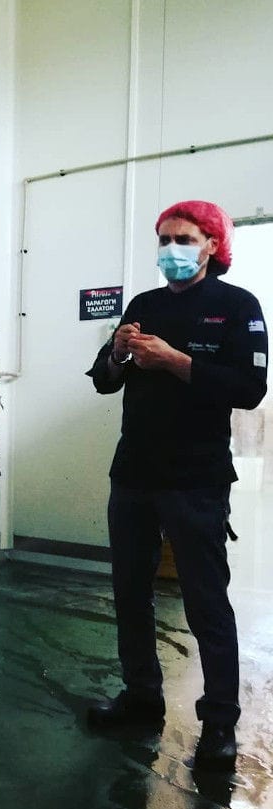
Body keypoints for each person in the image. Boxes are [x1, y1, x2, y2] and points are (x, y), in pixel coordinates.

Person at [86, 200, 268, 771]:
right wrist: (116, 354)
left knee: (206, 601)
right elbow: (103, 382)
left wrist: (176, 362)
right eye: (164, 238)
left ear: (212, 244)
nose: (172, 249)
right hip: (134, 474)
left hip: (196, 480)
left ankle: (218, 723)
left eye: (184, 238)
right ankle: (142, 697)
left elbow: (250, 389)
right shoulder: (144, 304)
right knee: (129, 593)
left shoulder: (238, 306)